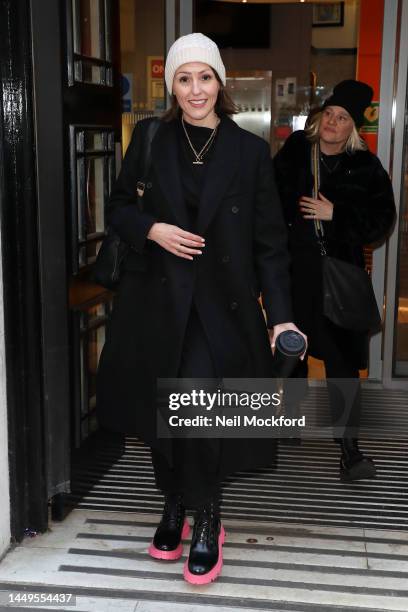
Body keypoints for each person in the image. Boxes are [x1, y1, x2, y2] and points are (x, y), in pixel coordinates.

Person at [96, 33, 305, 585]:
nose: (195, 90)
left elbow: (269, 243)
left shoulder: (249, 152)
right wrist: (152, 229)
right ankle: (173, 506)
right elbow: (118, 208)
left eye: (205, 77)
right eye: (184, 79)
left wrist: (280, 314)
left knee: (201, 414)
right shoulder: (149, 138)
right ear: (172, 86)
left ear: (221, 83)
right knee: (163, 417)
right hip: (156, 303)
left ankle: (206, 514)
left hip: (221, 306)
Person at [273, 79, 396, 481]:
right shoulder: (295, 151)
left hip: (337, 279)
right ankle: (285, 427)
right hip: (294, 274)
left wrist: (336, 216)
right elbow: (267, 203)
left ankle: (349, 450)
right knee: (291, 354)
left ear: (352, 129)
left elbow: (382, 222)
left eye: (342, 118)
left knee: (342, 364)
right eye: (329, 114)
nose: (332, 122)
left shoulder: (366, 167)